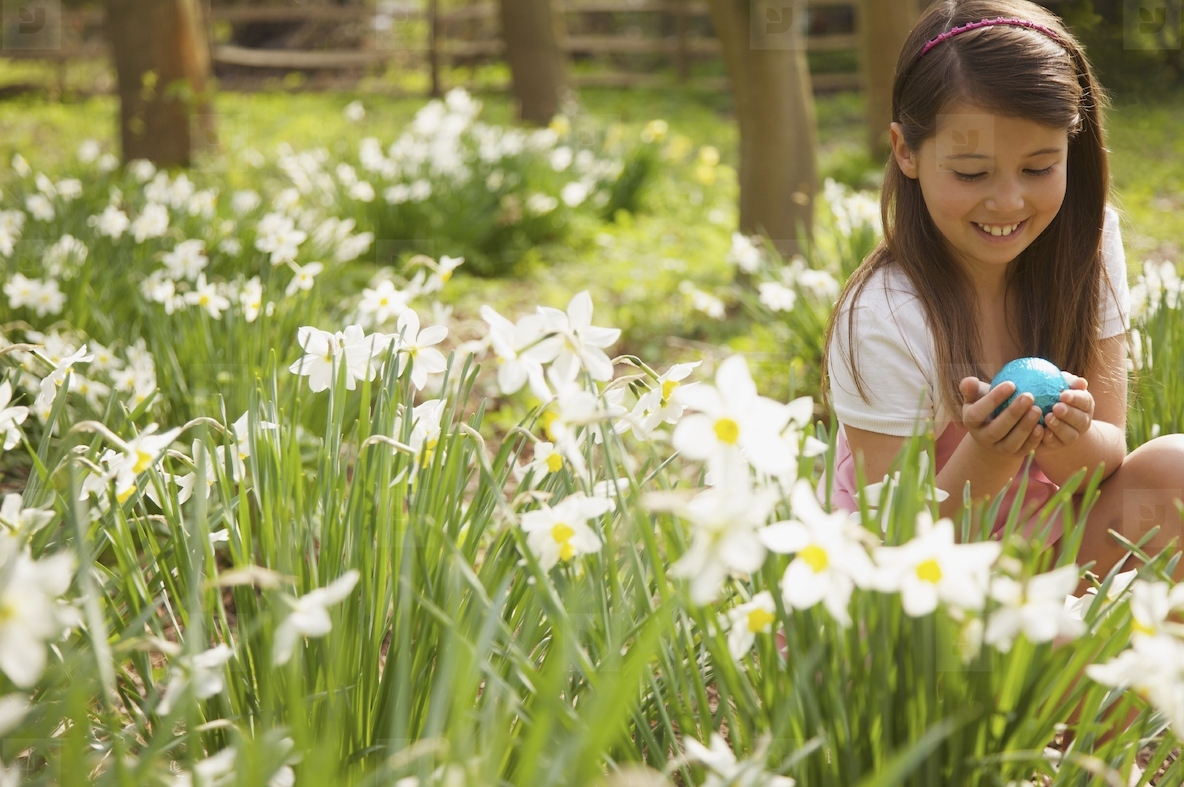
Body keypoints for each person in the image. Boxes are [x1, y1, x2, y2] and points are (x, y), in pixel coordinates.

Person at [820, 0, 1184, 579]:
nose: (1008, 202)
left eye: (1039, 168)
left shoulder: (1086, 246)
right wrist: (989, 454)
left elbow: (1103, 468)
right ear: (905, 151)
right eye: (971, 173)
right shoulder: (885, 314)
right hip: (915, 590)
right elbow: (887, 549)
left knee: (1175, 473)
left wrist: (1067, 437)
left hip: (1039, 553)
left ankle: (1065, 651)